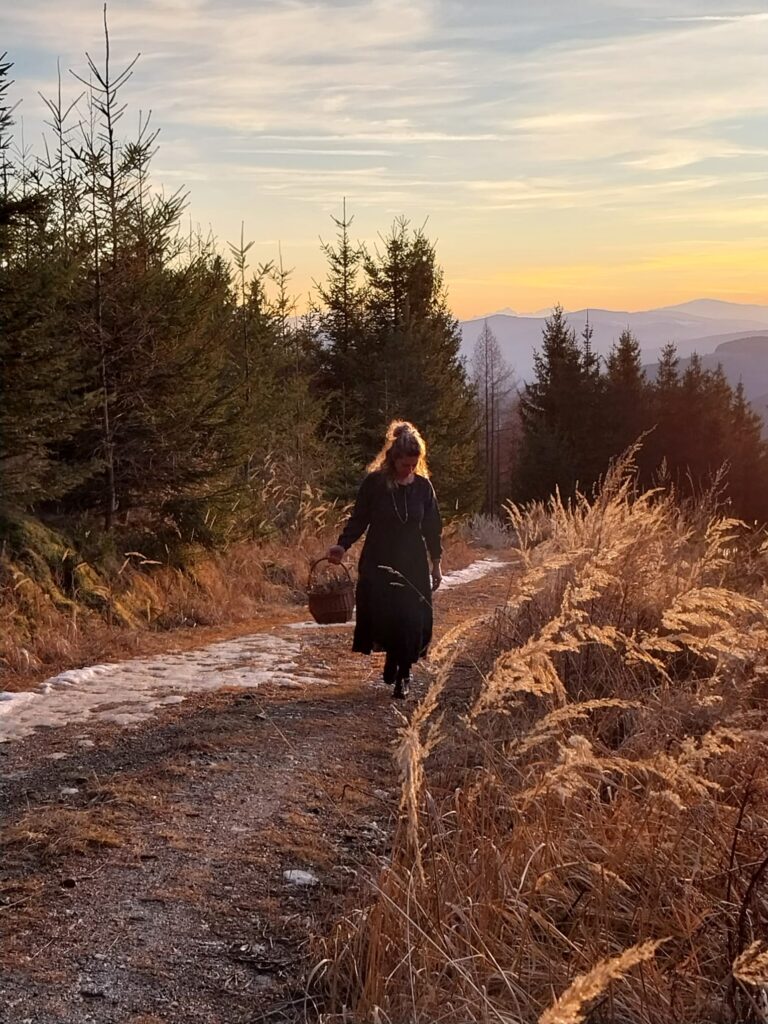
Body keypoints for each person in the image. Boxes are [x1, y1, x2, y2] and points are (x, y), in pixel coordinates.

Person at [327, 420, 443, 699]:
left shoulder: (423, 488)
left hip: (412, 563)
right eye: (405, 465)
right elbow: (359, 519)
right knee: (386, 615)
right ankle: (393, 656)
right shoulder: (375, 484)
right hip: (380, 558)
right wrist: (342, 546)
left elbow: (432, 528)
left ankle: (404, 672)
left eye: (415, 465)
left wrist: (436, 562)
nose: (410, 470)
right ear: (393, 459)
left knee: (412, 618)